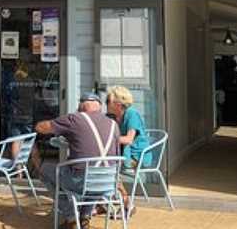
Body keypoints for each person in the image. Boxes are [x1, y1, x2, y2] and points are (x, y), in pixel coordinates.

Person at [34, 93, 120, 229]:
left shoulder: (75, 119)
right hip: (107, 183)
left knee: (45, 170)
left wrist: (37, 123)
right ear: (99, 106)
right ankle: (85, 216)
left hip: (80, 181)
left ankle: (71, 217)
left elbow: (42, 128)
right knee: (94, 176)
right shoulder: (113, 124)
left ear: (82, 105)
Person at [106, 86, 150, 216]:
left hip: (136, 156)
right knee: (101, 166)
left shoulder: (132, 114)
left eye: (108, 101)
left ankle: (127, 204)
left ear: (117, 104)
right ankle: (102, 203)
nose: (106, 103)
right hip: (121, 153)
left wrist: (108, 139)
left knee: (110, 170)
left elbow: (129, 139)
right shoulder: (113, 116)